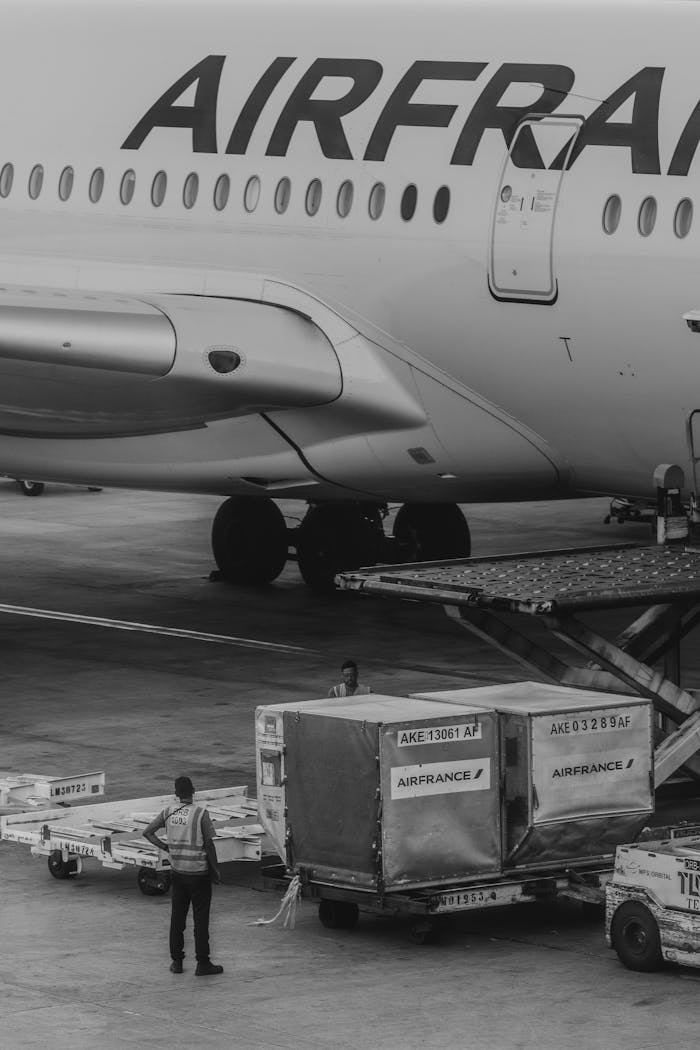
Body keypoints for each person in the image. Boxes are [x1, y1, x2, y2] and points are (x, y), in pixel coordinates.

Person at [143, 776, 224, 976]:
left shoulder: (169, 812)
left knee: (177, 919)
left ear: (176, 794)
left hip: (178, 872)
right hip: (199, 873)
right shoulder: (200, 814)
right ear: (193, 791)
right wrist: (215, 871)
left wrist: (165, 847)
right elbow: (209, 845)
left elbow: (148, 832)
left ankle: (177, 962)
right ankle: (202, 963)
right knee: (201, 920)